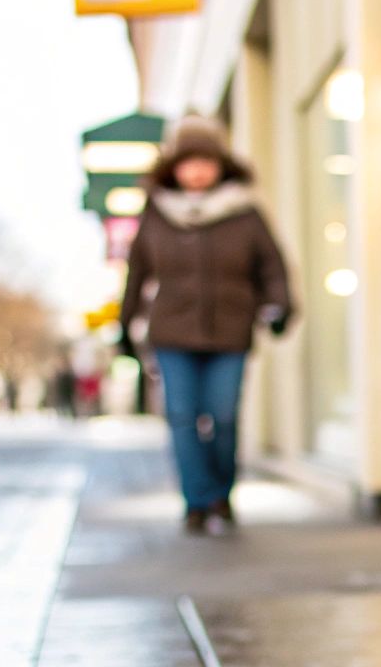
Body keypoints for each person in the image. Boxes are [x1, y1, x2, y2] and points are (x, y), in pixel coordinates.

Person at [118, 115, 293, 534]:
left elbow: (272, 266)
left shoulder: (245, 213)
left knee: (223, 416)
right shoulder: (157, 214)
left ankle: (221, 496)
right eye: (188, 162)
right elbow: (137, 274)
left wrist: (280, 305)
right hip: (172, 333)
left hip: (229, 331)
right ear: (174, 168)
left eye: (206, 162)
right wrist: (125, 328)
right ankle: (196, 502)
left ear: (221, 166)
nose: (197, 171)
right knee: (181, 416)